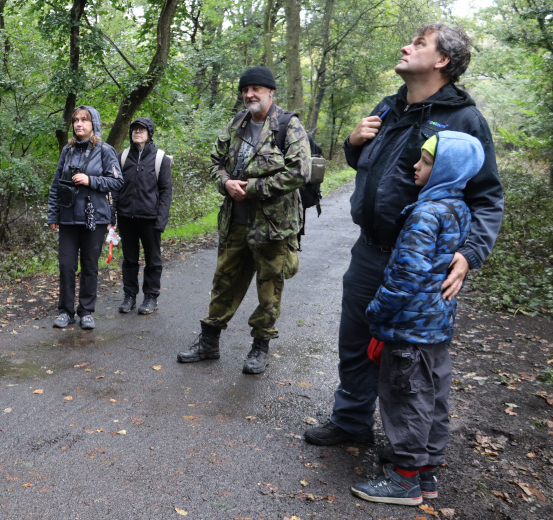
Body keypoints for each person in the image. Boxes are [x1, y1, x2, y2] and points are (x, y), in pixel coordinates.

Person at [305, 23, 504, 446]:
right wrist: (353, 143)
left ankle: (410, 457)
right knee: (355, 342)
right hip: (369, 252)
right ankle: (350, 422)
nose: (405, 46)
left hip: (420, 265)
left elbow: (486, 197)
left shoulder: (464, 118)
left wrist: (470, 254)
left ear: (442, 60)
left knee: (410, 361)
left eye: (418, 44)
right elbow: (372, 166)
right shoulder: (389, 107)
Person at [350, 131, 482, 505]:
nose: (415, 165)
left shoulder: (426, 214)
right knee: (432, 394)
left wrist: (377, 314)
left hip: (409, 326)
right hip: (435, 325)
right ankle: (426, 470)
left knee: (405, 397)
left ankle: (405, 479)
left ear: (445, 170)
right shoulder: (458, 209)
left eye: (425, 161)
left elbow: (406, 274)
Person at [177, 66, 310, 375]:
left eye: (257, 89)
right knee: (224, 283)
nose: (250, 94)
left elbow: (300, 172)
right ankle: (209, 342)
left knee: (269, 290)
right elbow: (215, 162)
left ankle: (260, 346)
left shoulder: (288, 126)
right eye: (246, 89)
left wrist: (252, 188)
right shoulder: (237, 123)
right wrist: (225, 182)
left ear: (270, 92)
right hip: (235, 222)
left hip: (273, 227)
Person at [47, 105, 123, 330]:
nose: (79, 124)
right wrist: (53, 214)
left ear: (94, 125)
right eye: (76, 120)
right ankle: (65, 312)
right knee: (66, 266)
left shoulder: (105, 150)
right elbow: (56, 185)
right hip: (68, 217)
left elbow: (118, 182)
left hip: (94, 218)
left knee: (89, 266)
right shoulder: (66, 150)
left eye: (84, 120)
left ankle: (86, 311)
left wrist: (91, 180)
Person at [115, 117, 173, 315]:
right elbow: (114, 188)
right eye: (134, 129)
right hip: (126, 218)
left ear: (149, 133)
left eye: (141, 129)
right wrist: (112, 216)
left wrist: (161, 220)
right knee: (129, 260)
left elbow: (166, 191)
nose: (137, 132)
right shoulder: (122, 157)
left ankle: (151, 297)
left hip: (150, 219)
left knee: (153, 260)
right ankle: (129, 295)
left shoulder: (160, 158)